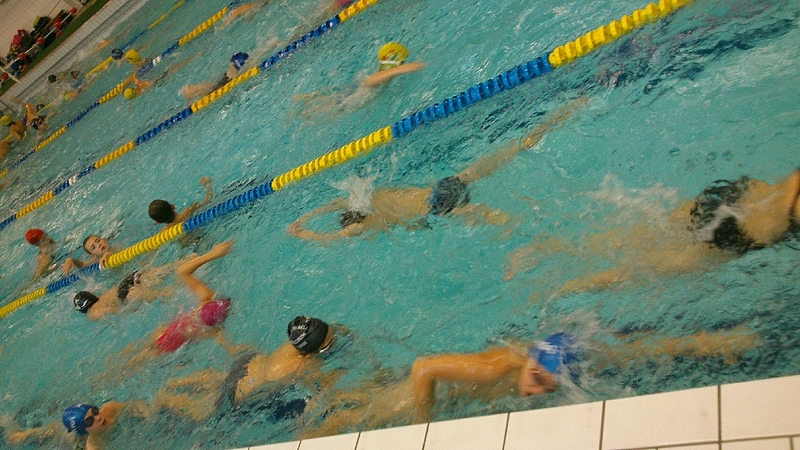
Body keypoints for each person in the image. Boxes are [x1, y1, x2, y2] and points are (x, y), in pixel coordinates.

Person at [304, 326, 763, 437]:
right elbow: (423, 369)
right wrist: (422, 427)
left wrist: (709, 343)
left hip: (452, 397)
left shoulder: (547, 361)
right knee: (337, 424)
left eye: (548, 383)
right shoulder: (499, 366)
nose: (537, 390)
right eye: (538, 378)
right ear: (531, 361)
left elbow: (631, 349)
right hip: (414, 402)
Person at [288, 98, 585, 241]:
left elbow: (328, 239)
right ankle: (563, 114)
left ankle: (552, 237)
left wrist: (303, 234)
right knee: (513, 150)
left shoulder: (363, 226)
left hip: (441, 209)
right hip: (444, 185)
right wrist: (303, 219)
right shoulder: (366, 197)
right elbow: (335, 202)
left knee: (504, 221)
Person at [504, 166, 800, 294]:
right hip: (731, 233)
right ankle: (560, 289)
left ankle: (540, 247)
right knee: (634, 270)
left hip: (733, 196)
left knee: (621, 239)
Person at [152, 315, 344, 422]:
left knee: (218, 381)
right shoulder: (302, 365)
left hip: (246, 363)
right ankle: (164, 401)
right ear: (309, 353)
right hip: (240, 391)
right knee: (203, 413)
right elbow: (323, 393)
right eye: (328, 344)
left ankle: (177, 383)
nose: (333, 342)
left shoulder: (294, 345)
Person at [108, 242, 237, 367]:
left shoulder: (206, 297)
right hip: (171, 341)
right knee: (134, 362)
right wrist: (233, 350)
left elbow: (181, 271)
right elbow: (225, 342)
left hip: (166, 333)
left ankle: (109, 365)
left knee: (133, 355)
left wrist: (214, 253)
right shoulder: (212, 330)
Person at [292, 42, 425, 118]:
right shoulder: (382, 77)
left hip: (345, 98)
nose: (404, 64)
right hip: (342, 106)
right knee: (308, 115)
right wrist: (402, 69)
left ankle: (308, 98)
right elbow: (370, 81)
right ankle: (302, 107)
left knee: (326, 101)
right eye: (403, 62)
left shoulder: (383, 75)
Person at [72, 255, 191, 320]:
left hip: (127, 295)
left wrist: (130, 310)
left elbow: (112, 310)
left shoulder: (94, 312)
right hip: (127, 281)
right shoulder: (102, 296)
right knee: (166, 269)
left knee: (166, 294)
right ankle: (189, 260)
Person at [8, 401, 149, 450]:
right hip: (78, 443)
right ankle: (24, 435)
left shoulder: (110, 409)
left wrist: (147, 413)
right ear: (83, 430)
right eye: (89, 421)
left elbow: (135, 405)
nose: (98, 418)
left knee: (57, 429)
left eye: (95, 411)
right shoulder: (95, 447)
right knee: (58, 434)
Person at [148, 176, 213, 229]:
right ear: (172, 206)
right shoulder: (189, 211)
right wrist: (207, 184)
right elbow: (208, 201)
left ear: (158, 222)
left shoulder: (164, 232)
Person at [181, 52, 250, 101]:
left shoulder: (229, 76)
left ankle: (190, 92)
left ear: (232, 63)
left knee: (210, 87)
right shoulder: (238, 73)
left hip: (222, 85)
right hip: (225, 83)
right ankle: (190, 92)